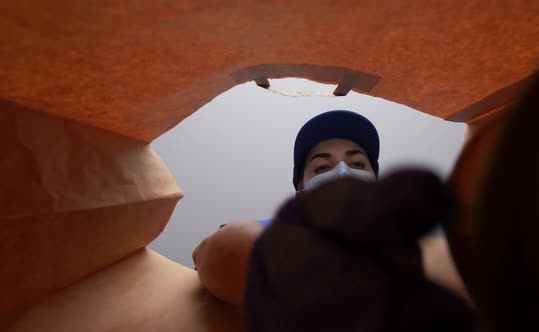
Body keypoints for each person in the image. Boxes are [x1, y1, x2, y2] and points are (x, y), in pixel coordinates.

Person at [193, 110, 469, 307]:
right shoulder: (259, 235)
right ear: (301, 193)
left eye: (358, 164)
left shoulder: (432, 242)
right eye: (323, 167)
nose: (343, 172)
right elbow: (220, 256)